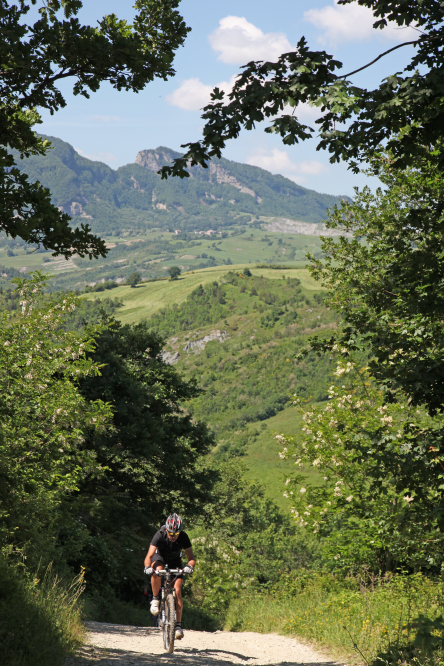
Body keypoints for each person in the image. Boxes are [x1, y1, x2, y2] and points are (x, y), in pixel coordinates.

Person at [144, 513, 195, 640]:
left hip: (175, 561)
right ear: (166, 529)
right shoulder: (159, 534)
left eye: (176, 534)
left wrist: (190, 567)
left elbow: (191, 558)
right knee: (158, 570)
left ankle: (177, 626)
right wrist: (147, 567)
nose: (173, 536)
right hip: (159, 558)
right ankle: (155, 599)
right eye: (171, 533)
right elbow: (149, 556)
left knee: (177, 591)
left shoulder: (183, 537)